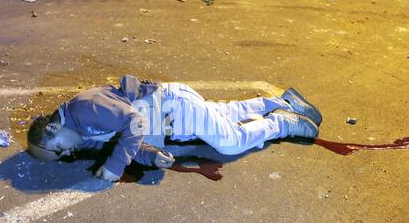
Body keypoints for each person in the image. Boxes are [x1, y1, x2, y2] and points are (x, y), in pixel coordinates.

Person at [27, 75, 322, 182]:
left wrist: (116, 167)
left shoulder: (84, 109)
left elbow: (135, 123)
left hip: (174, 108)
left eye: (59, 150)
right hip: (173, 113)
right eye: (63, 157)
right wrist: (152, 155)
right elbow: (126, 140)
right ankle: (282, 101)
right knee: (226, 112)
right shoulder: (80, 129)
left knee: (230, 141)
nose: (67, 154)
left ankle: (282, 122)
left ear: (53, 129)